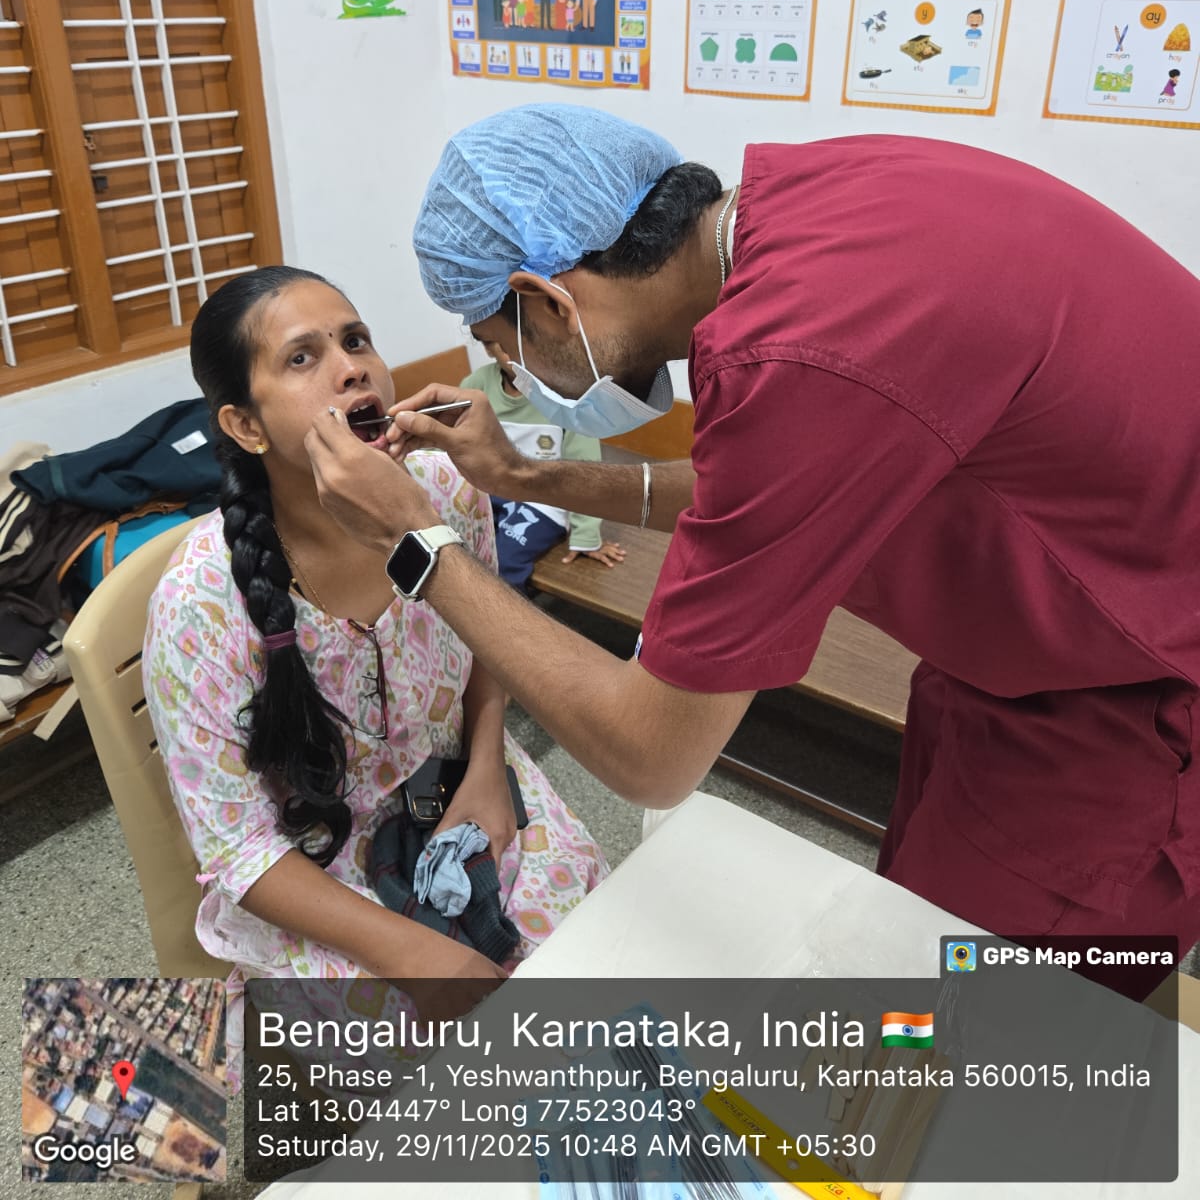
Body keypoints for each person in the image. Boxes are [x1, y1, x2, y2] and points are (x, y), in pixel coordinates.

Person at [303, 106, 1200, 999]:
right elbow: (771, 486)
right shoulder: (809, 208)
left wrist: (414, 542)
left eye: (503, 352)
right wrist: (528, 477)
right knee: (913, 946)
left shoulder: (797, 350)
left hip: (1138, 702)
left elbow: (652, 759)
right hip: (1021, 654)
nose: (508, 379)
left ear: (546, 299)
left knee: (979, 1029)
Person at [144, 265, 607, 1068]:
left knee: (595, 957)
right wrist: (410, 951)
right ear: (245, 427)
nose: (351, 365)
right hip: (317, 870)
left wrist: (488, 770)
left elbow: (490, 640)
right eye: (302, 357)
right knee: (445, 1076)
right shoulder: (198, 606)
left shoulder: (440, 488)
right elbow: (239, 848)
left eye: (356, 340)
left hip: (461, 786)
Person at [462, 336, 626, 587]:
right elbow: (455, 440)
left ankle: (506, 622)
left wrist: (585, 535)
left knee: (504, 563)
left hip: (543, 502)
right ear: (486, 346)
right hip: (489, 490)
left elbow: (585, 470)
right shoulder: (477, 385)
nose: (511, 350)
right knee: (459, 548)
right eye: (498, 339)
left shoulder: (568, 396)